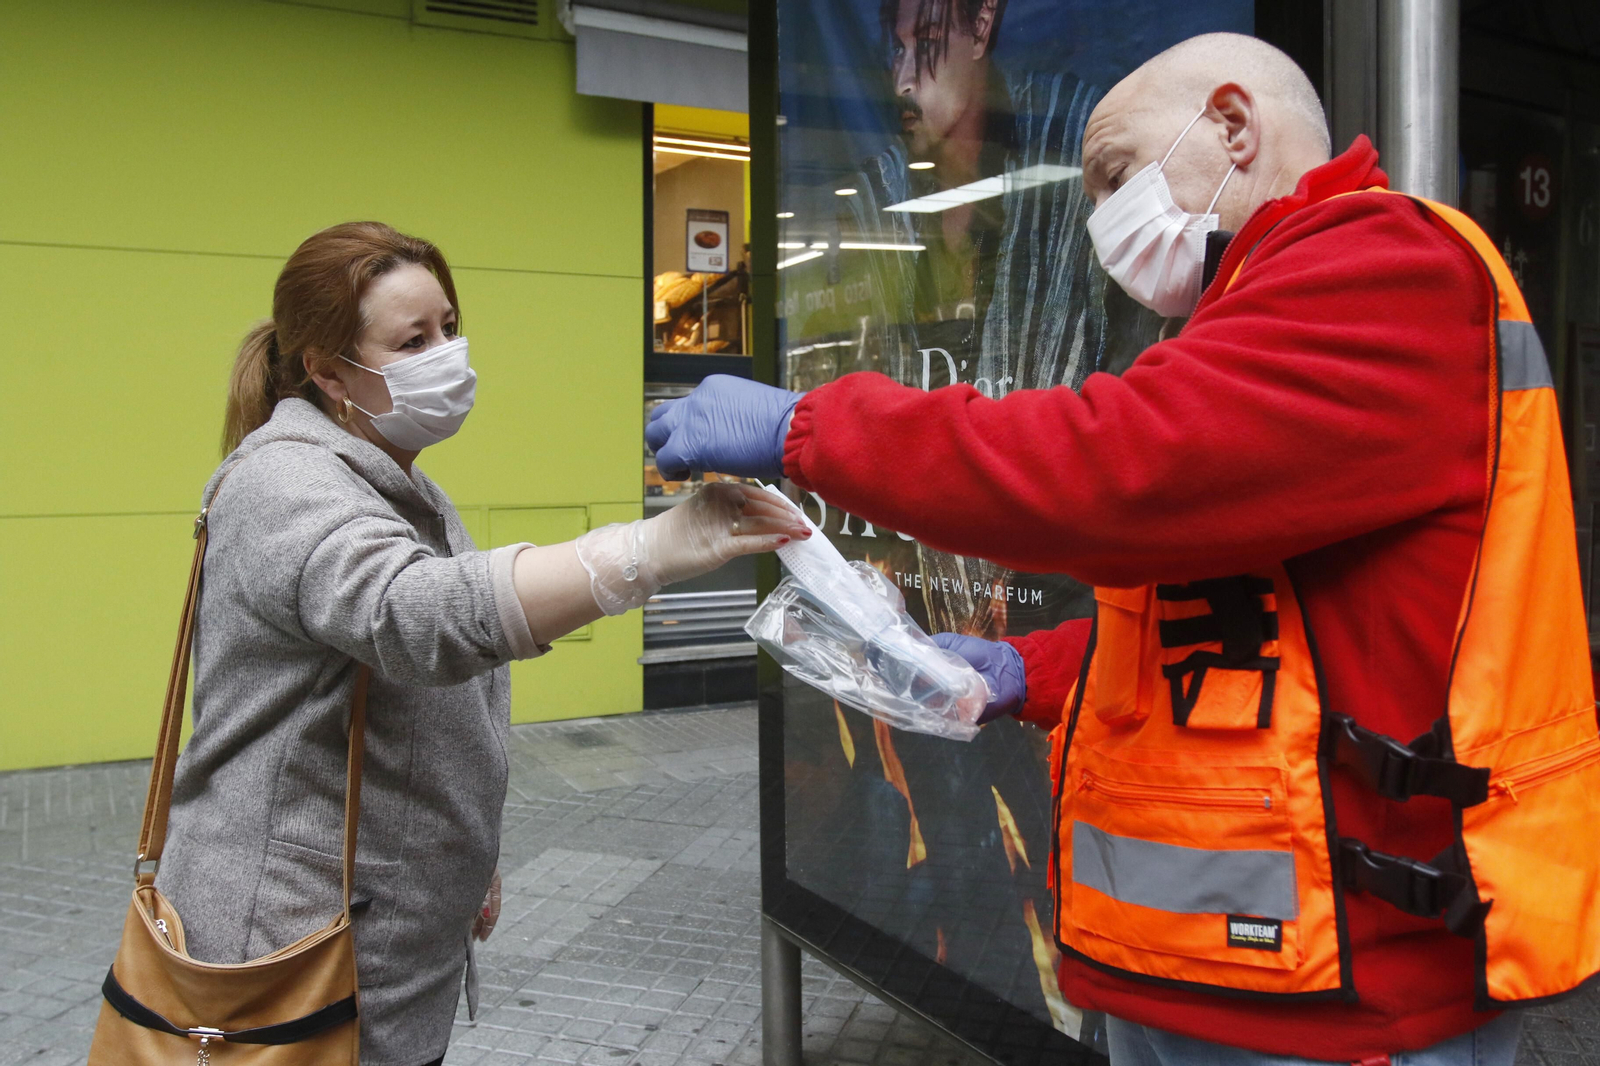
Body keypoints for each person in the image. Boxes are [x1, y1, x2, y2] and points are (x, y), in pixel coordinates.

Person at [645, 32, 1600, 1066]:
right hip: (1225, 979)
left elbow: (1107, 469)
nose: (1101, 220)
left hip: (1339, 1003)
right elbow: (1239, 619)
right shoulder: (1244, 320)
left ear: (1233, 126)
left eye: (1113, 176)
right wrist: (1033, 668)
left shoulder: (1385, 267)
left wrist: (811, 429)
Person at [154, 222, 809, 1066]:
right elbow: (413, 617)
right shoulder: (284, 480)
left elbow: (425, 704)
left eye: (450, 328)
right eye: (413, 340)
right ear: (324, 369)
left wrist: (468, 861)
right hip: (286, 956)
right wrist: (645, 551)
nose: (447, 355)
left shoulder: (392, 478)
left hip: (380, 941)